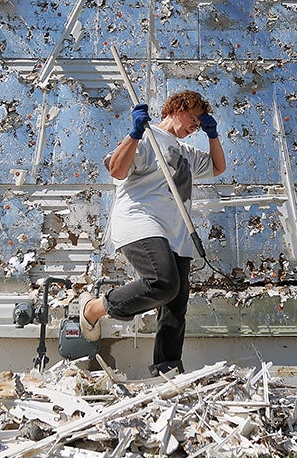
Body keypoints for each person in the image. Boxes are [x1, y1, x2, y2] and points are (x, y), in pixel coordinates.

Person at [79, 90, 226, 377]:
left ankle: (167, 372)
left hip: (177, 233)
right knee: (163, 282)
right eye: (194, 117)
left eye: (200, 121)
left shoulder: (186, 152)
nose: (196, 125)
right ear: (177, 108)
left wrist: (212, 136)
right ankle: (94, 309)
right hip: (141, 220)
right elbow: (117, 170)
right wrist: (134, 133)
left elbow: (218, 167)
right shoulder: (147, 138)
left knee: (175, 308)